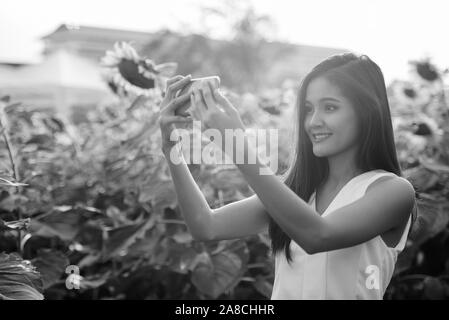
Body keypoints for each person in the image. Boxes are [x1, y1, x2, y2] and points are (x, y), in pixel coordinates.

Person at [157, 53, 417, 299]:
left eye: (330, 107)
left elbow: (318, 235)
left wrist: (237, 146)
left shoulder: (393, 192)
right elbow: (206, 226)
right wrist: (171, 147)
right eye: (308, 109)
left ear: (367, 112)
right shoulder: (297, 191)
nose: (313, 121)